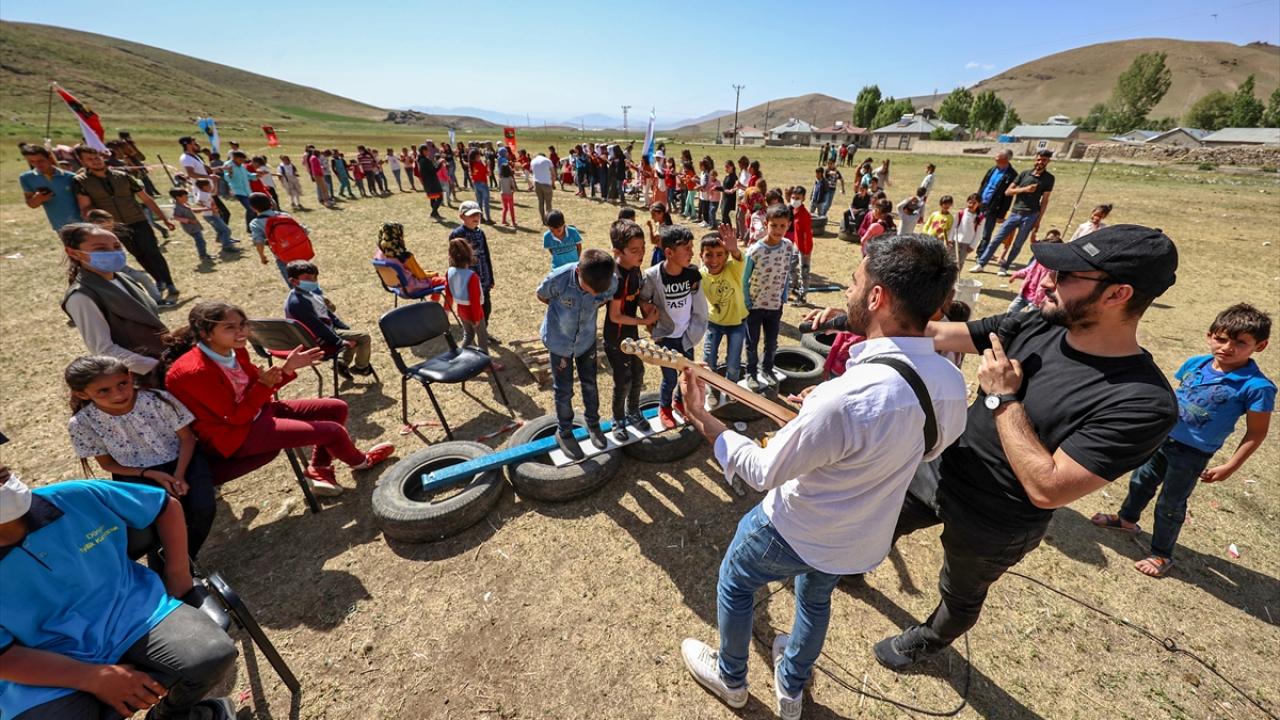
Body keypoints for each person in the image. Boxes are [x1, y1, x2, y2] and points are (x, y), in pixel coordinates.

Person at [806, 224, 1181, 672]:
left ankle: (928, 639)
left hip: (996, 520)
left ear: (1118, 294)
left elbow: (1048, 488)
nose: (1046, 281)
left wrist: (1004, 398)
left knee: (960, 593)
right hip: (942, 469)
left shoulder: (1141, 402)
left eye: (1065, 276)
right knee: (876, 524)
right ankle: (852, 564)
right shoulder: (1037, 322)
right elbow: (935, 333)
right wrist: (856, 316)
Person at [677, 233, 968, 720]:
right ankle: (791, 689)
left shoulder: (845, 398)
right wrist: (826, 429)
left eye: (855, 282)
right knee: (814, 601)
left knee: (735, 582)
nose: (849, 291)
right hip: (859, 538)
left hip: (794, 529)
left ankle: (731, 679)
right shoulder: (951, 383)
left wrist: (704, 419)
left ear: (877, 297)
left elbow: (763, 471)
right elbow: (929, 448)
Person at [0, 471, 238, 720]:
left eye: (2, 475)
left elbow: (163, 505)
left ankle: (173, 716)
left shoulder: (72, 497)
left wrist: (178, 574)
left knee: (213, 655)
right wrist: (95, 678)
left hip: (134, 612)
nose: (4, 488)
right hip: (44, 655)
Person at [1091, 303, 1273, 577]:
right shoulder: (1196, 364)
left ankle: (1162, 554)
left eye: (1240, 343)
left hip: (1192, 454)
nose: (1227, 347)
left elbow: (1256, 432)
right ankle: (1127, 520)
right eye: (1221, 339)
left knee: (1171, 503)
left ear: (1260, 346)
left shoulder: (1257, 387)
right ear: (1210, 335)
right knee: (1140, 481)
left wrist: (1230, 466)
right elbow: (1176, 398)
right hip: (1161, 439)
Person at [164, 301, 394, 495]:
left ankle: (319, 469)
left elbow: (259, 388)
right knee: (332, 432)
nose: (241, 332)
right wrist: (265, 384)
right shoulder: (194, 372)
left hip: (258, 413)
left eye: (243, 324)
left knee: (336, 408)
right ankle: (361, 462)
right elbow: (235, 417)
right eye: (230, 328)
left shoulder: (235, 349)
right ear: (205, 333)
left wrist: (287, 369)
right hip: (237, 434)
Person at [65, 355, 217, 556]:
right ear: (82, 394)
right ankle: (172, 564)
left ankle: (181, 561)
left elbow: (187, 438)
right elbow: (107, 464)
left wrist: (179, 474)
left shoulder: (157, 400)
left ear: (130, 376)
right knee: (159, 526)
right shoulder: (82, 424)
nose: (118, 394)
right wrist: (150, 474)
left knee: (203, 509)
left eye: (122, 384)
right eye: (104, 391)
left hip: (184, 460)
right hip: (136, 475)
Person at [60, 223, 170, 379]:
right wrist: (157, 367)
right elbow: (104, 350)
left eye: (117, 246)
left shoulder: (123, 278)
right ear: (74, 253)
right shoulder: (81, 296)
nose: (113, 253)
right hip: (144, 376)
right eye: (101, 249)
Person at [537, 249, 618, 460]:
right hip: (560, 343)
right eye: (589, 290)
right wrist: (562, 313)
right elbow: (541, 294)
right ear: (579, 272)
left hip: (586, 341)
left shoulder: (610, 280)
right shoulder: (559, 279)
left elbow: (605, 298)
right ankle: (564, 431)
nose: (594, 295)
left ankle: (593, 424)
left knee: (590, 383)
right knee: (564, 390)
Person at [72, 145, 179, 301]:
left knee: (152, 251)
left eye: (97, 157)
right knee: (139, 254)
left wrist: (164, 219)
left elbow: (146, 198)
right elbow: (85, 207)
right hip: (114, 226)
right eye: (90, 159)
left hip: (137, 219)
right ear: (82, 161)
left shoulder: (123, 175)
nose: (95, 161)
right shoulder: (81, 181)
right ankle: (159, 281)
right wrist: (98, 226)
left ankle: (169, 283)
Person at [640, 226, 708, 429]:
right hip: (666, 338)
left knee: (686, 375)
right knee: (669, 378)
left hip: (686, 336)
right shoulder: (652, 276)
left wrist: (693, 332)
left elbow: (698, 305)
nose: (692, 252)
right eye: (686, 248)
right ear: (669, 252)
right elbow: (643, 299)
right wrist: (653, 328)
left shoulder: (692, 274)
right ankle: (665, 408)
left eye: (692, 247)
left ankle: (679, 402)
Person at [604, 220, 657, 440]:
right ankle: (618, 419)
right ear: (618, 252)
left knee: (638, 373)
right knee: (623, 380)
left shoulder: (635, 269)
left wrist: (646, 307)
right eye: (634, 250)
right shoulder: (616, 278)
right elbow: (615, 315)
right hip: (616, 338)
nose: (641, 253)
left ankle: (633, 411)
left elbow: (635, 299)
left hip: (631, 336)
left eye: (643, 247)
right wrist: (644, 321)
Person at [284, 261, 375, 377]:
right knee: (364, 337)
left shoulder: (309, 294)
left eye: (314, 277)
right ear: (293, 281)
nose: (313, 281)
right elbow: (318, 327)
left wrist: (345, 328)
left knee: (353, 335)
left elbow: (329, 315)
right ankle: (361, 367)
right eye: (307, 278)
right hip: (317, 341)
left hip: (324, 333)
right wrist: (339, 342)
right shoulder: (298, 303)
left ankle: (341, 362)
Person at [743, 206, 799, 391]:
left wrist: (784, 294)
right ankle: (751, 372)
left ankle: (767, 369)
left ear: (788, 225)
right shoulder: (755, 250)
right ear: (766, 224)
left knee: (772, 342)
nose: (778, 230)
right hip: (755, 305)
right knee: (752, 342)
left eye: (782, 226)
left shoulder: (788, 246)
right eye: (774, 225)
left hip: (775, 305)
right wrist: (747, 301)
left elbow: (785, 271)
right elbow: (744, 279)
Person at [974, 149, 1054, 276]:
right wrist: (1024, 189)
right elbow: (1008, 192)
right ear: (1035, 159)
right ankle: (981, 263)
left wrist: (1038, 220)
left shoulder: (1049, 179)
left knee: (1017, 244)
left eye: (1044, 160)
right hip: (1015, 212)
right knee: (997, 239)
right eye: (1039, 159)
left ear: (1048, 161)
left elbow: (1044, 201)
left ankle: (1004, 267)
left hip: (1031, 215)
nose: (1040, 162)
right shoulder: (1024, 174)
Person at [700, 225, 747, 409]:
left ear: (726, 256)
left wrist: (734, 249)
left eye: (720, 254)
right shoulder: (700, 275)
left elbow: (739, 257)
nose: (714, 260)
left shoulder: (733, 269)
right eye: (709, 255)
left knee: (733, 362)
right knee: (708, 359)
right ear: (701, 256)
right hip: (714, 323)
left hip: (737, 323)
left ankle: (730, 388)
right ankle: (713, 389)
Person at [443, 239, 497, 363]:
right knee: (482, 337)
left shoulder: (449, 272)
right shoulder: (472, 276)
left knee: (468, 335)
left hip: (461, 310)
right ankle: (486, 363)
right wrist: (477, 318)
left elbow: (448, 294)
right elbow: (475, 301)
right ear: (469, 255)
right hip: (474, 312)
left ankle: (459, 357)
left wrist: (446, 311)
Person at [248, 192, 312, 283]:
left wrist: (262, 256)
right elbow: (303, 230)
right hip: (300, 251)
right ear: (271, 203)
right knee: (308, 277)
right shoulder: (284, 215)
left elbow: (259, 241)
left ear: (253, 208)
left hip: (283, 256)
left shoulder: (255, 223)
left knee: (293, 282)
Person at [449, 201, 497, 323]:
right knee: (472, 308)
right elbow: (454, 259)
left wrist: (490, 277)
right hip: (468, 279)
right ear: (462, 217)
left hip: (484, 279)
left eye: (478, 214)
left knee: (486, 307)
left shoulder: (480, 233)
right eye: (471, 215)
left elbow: (486, 255)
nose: (476, 217)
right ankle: (474, 329)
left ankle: (484, 328)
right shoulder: (457, 234)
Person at [19, 143, 80, 234]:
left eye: (40, 161)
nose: (37, 164)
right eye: (32, 162)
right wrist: (37, 199)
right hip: (60, 225)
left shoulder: (70, 177)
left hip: (82, 222)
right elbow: (31, 204)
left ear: (50, 158)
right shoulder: (26, 178)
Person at [971, 149, 1018, 259]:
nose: (995, 159)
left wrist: (1002, 214)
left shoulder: (1012, 175)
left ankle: (981, 254)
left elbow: (1008, 197)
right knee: (973, 226)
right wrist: (976, 199)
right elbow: (983, 184)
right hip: (981, 203)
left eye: (998, 158)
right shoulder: (992, 169)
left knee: (986, 233)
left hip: (994, 207)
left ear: (1006, 160)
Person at [1006, 229, 1061, 313]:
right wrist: (1016, 274)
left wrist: (1043, 300)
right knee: (1011, 309)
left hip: (1036, 301)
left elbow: (1052, 287)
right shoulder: (1038, 261)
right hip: (1025, 294)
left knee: (1028, 317)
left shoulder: (1054, 269)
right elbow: (1028, 270)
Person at [191, 179, 240, 255]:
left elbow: (213, 194)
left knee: (220, 230)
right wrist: (208, 208)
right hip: (210, 216)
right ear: (204, 187)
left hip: (212, 215)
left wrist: (215, 182)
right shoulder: (203, 195)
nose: (210, 187)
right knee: (226, 230)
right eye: (209, 185)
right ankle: (227, 246)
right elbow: (198, 202)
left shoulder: (204, 193)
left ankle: (221, 240)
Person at [169, 189, 215, 263]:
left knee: (201, 241)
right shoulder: (177, 207)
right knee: (200, 241)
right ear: (178, 197)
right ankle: (203, 255)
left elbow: (191, 210)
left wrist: (206, 209)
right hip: (191, 228)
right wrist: (189, 221)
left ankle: (204, 254)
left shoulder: (184, 204)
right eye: (185, 196)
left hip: (194, 227)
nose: (187, 198)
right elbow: (176, 217)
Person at [786, 187, 813, 303]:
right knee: (791, 267)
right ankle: (795, 288)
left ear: (803, 198)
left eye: (797, 198)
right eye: (793, 197)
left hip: (804, 248)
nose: (794, 200)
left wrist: (806, 251)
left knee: (804, 272)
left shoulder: (804, 214)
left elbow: (807, 234)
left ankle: (803, 296)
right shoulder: (794, 211)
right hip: (796, 245)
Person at [951, 193, 982, 267]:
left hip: (967, 244)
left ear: (979, 204)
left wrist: (972, 246)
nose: (971, 205)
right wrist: (950, 239)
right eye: (970, 202)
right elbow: (954, 227)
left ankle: (956, 275)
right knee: (950, 260)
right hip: (955, 241)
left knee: (960, 262)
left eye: (974, 203)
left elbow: (978, 234)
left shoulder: (981, 217)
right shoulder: (960, 213)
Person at [417, 145, 444, 219]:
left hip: (428, 182)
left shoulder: (422, 160)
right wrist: (440, 163)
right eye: (427, 150)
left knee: (433, 198)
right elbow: (434, 170)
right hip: (432, 182)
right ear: (423, 151)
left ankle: (435, 213)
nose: (428, 152)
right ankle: (433, 212)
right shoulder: (424, 161)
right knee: (440, 198)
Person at [468, 149, 493, 223]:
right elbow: (488, 173)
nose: (480, 156)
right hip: (483, 183)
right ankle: (488, 219)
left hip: (476, 184)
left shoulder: (471, 164)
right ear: (476, 156)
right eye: (479, 154)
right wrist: (488, 164)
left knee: (479, 202)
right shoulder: (479, 164)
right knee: (486, 202)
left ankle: (481, 218)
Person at [530, 150, 555, 224]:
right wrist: (553, 183)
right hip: (546, 183)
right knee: (548, 203)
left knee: (540, 202)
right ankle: (548, 219)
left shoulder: (533, 161)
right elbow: (553, 174)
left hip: (536, 183)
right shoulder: (548, 161)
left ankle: (543, 219)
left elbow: (532, 171)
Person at [646, 202, 673, 267]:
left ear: (661, 213)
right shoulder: (659, 225)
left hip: (662, 254)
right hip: (658, 252)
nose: (652, 217)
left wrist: (651, 228)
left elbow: (653, 241)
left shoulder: (664, 228)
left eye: (654, 215)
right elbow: (654, 241)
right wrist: (650, 228)